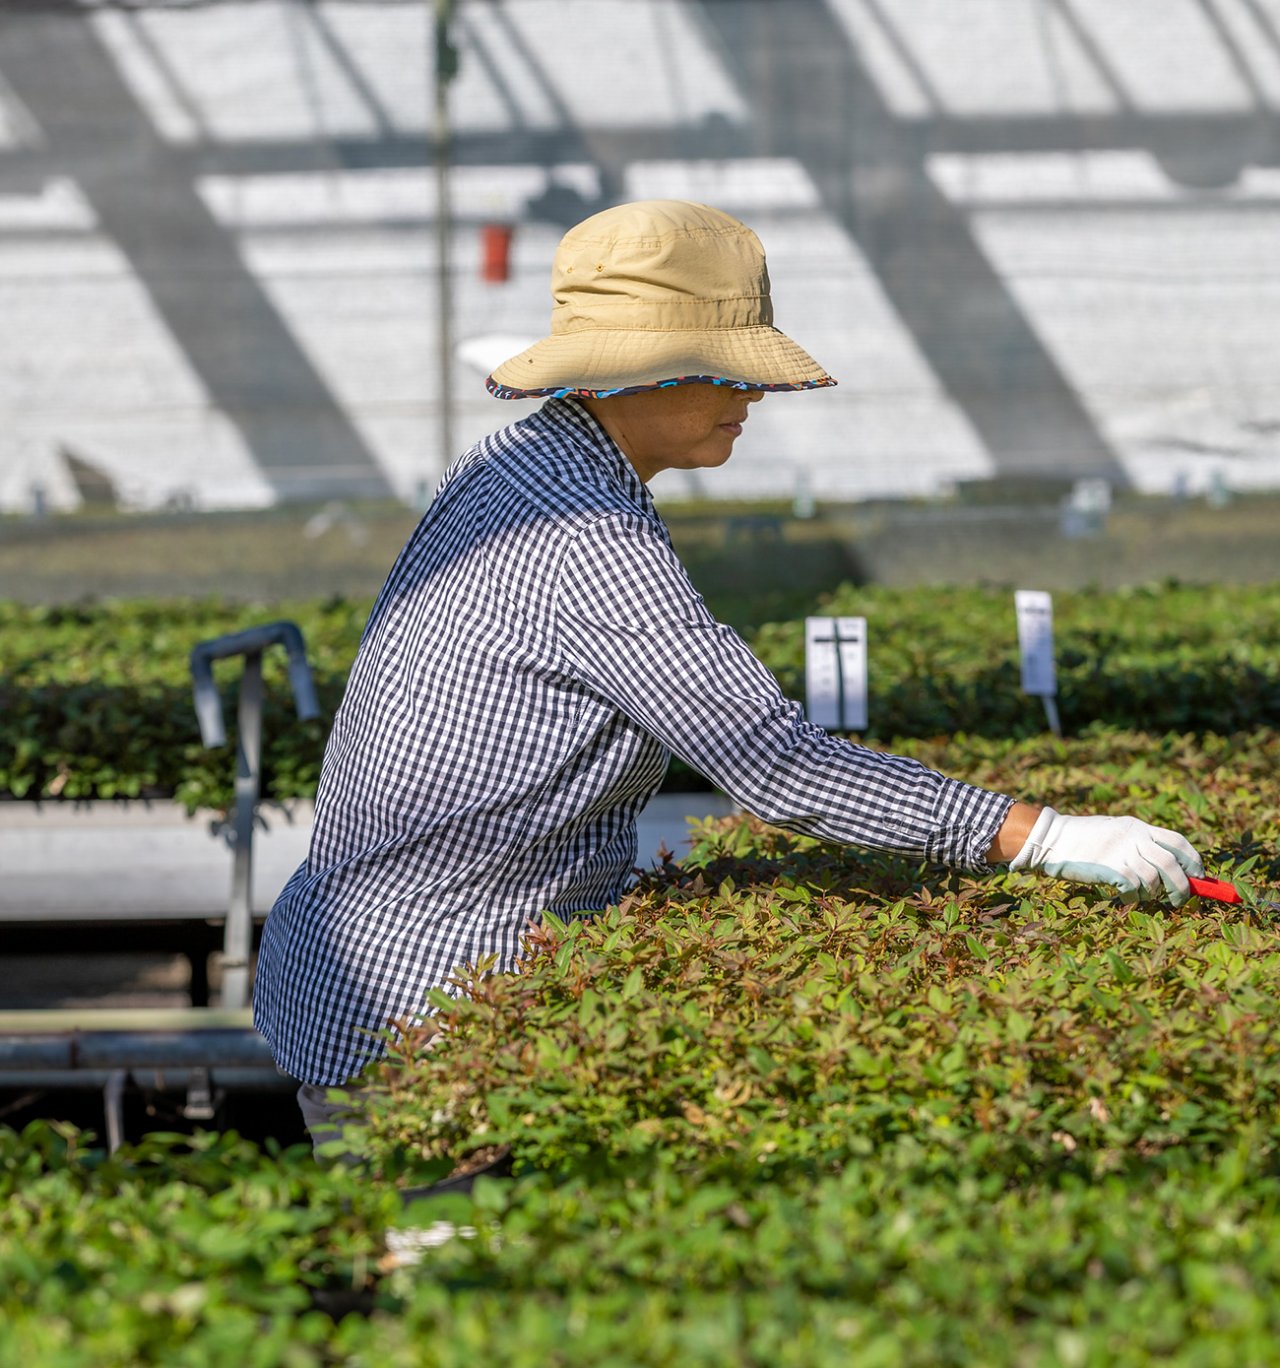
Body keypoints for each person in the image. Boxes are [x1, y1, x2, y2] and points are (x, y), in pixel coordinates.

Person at [252, 200, 1203, 1146]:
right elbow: (775, 763)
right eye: (725, 372)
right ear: (635, 372)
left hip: (369, 959)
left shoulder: (522, 458)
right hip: (427, 1009)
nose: (750, 398)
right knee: (451, 1273)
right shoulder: (585, 538)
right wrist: (1042, 837)